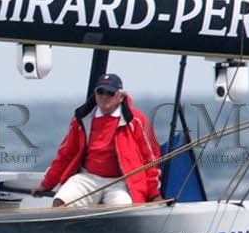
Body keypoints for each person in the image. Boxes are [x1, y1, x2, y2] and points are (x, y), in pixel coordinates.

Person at [32, 73, 162, 207]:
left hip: (121, 182)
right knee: (60, 203)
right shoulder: (82, 119)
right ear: (95, 94)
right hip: (88, 177)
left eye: (110, 93)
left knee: (122, 211)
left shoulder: (136, 120)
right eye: (100, 92)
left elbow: (151, 160)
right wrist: (46, 184)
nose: (104, 97)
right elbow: (66, 155)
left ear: (120, 97)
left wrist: (154, 195)